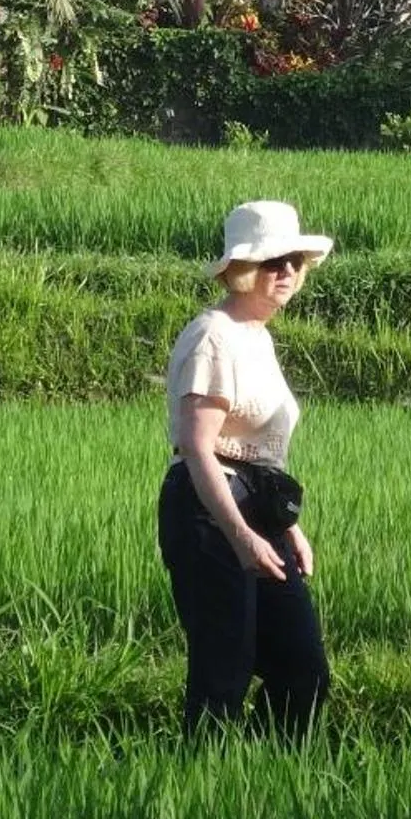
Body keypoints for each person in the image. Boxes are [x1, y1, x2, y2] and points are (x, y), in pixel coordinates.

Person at [159, 200, 333, 737]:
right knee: (224, 671)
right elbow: (198, 446)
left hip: (257, 506)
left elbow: (257, 451)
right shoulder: (213, 336)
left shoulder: (256, 335)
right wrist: (239, 535)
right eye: (272, 261)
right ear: (241, 269)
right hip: (210, 510)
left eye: (295, 262)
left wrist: (286, 529)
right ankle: (204, 785)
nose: (285, 272)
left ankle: (269, 781)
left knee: (303, 670)